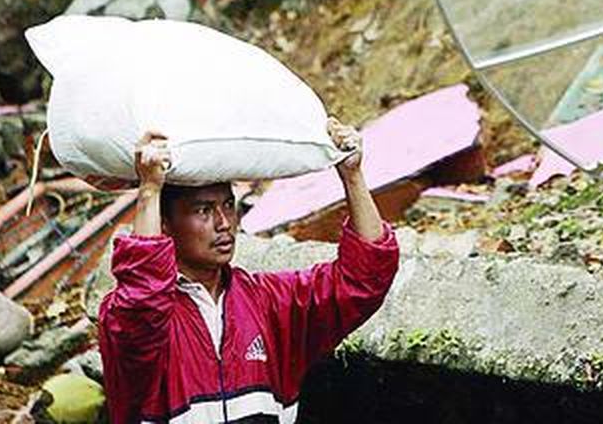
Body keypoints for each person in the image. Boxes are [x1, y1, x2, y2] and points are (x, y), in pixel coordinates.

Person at [98, 118, 399, 424]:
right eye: (203, 210)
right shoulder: (131, 319)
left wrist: (352, 176)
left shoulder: (269, 303)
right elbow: (143, 299)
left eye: (228, 206)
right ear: (165, 225)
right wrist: (150, 190)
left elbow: (364, 279)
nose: (224, 222)